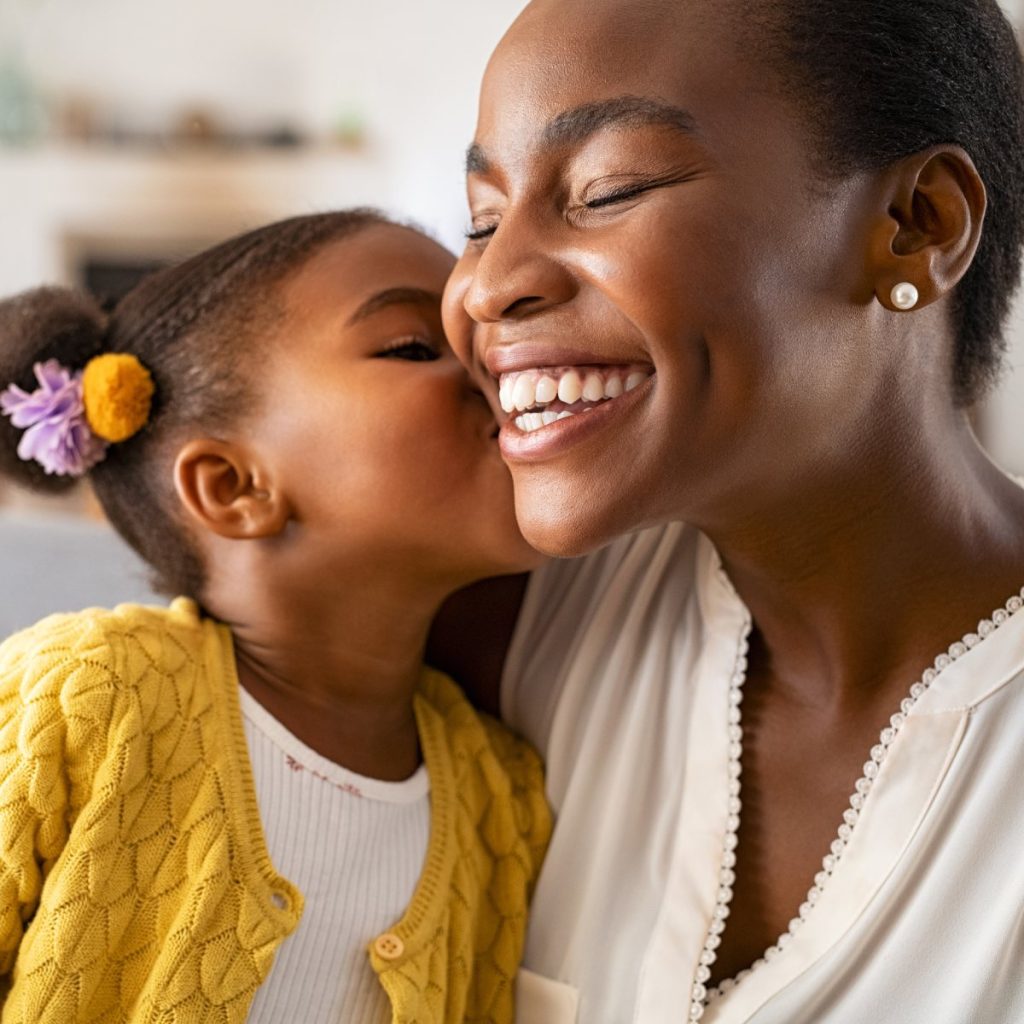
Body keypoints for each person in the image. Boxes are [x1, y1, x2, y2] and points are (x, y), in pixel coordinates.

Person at [437, 1, 1024, 1021]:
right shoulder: (502, 625)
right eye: (481, 220)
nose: (489, 284)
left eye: (606, 190)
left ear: (916, 225)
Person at [0, 211, 550, 1024]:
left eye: (480, 341)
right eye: (414, 348)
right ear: (234, 487)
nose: (498, 369)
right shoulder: (87, 696)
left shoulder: (499, 799)